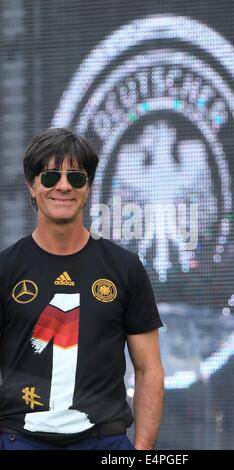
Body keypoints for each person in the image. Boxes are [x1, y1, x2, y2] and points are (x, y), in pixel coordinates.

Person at [0, 127, 164, 450]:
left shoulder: (124, 268)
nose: (63, 186)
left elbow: (149, 369)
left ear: (88, 187)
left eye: (76, 177)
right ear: (32, 186)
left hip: (105, 442)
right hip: (20, 440)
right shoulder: (6, 269)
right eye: (50, 177)